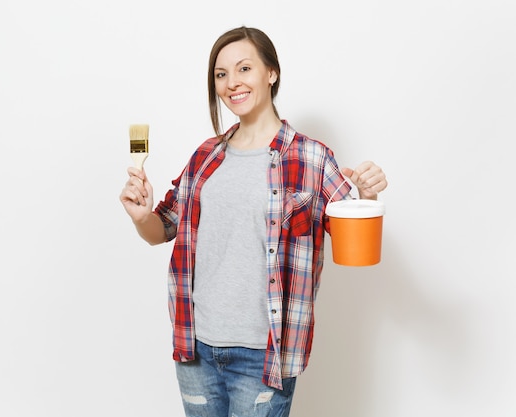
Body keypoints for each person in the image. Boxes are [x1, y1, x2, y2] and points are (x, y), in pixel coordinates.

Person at [119, 26, 388, 417]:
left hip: (265, 356)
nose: (232, 83)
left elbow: (356, 246)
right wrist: (142, 216)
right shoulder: (205, 157)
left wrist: (367, 197)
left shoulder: (312, 159)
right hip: (196, 348)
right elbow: (161, 229)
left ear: (271, 73)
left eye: (244, 68)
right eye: (221, 74)